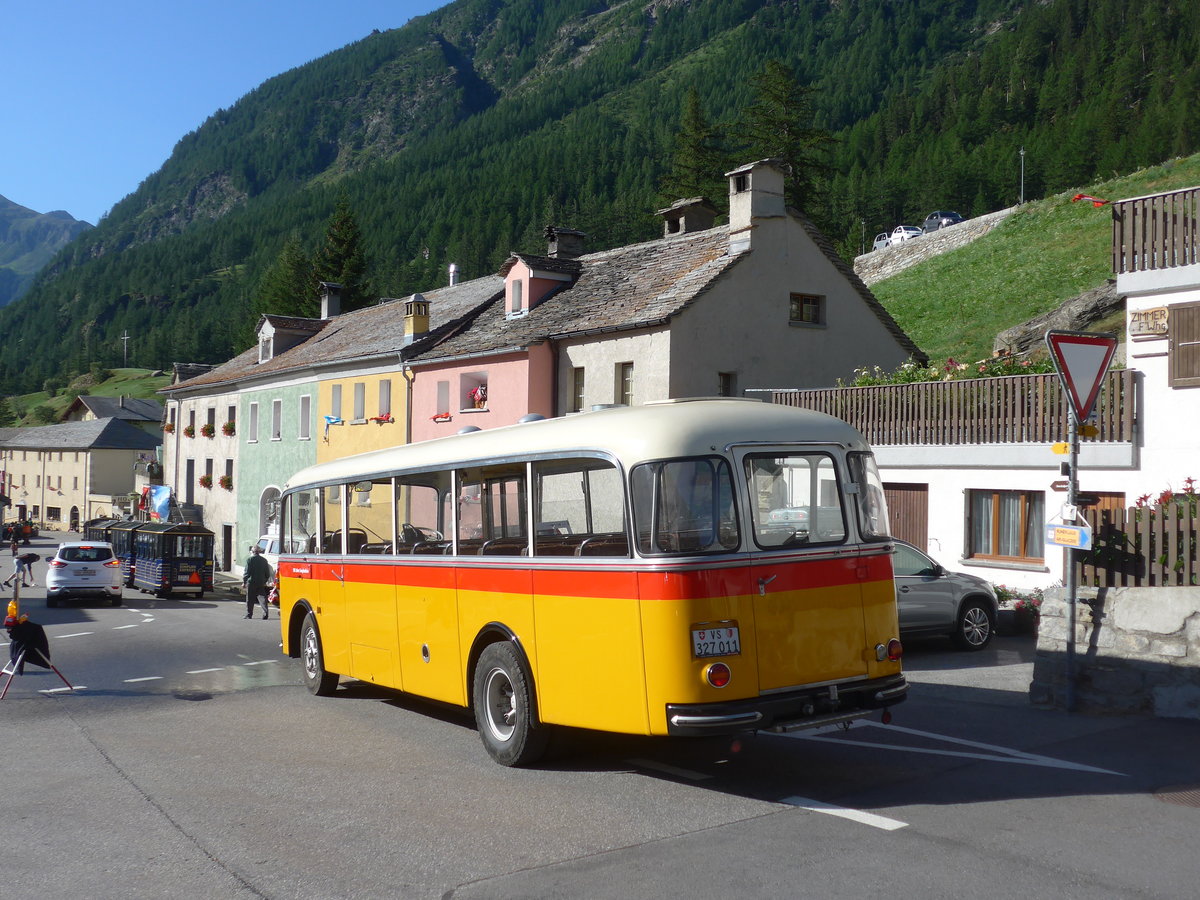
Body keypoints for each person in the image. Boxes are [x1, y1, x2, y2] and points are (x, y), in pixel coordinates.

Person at [242, 544, 272, 620]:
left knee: (250, 599)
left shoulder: (250, 560)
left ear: (252, 552)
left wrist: (244, 582)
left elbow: (247, 572)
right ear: (259, 552)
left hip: (251, 582)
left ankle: (249, 614)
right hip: (261, 582)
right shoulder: (264, 560)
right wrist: (264, 581)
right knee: (262, 598)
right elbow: (267, 573)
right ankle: (265, 614)